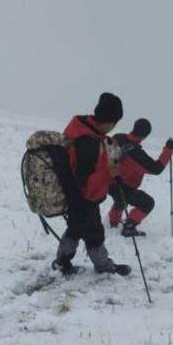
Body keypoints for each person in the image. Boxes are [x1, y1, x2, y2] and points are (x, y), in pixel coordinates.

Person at [53, 92, 131, 277]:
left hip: (74, 193)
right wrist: (110, 173)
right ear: (110, 121)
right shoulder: (86, 142)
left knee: (75, 228)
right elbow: (86, 181)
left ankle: (61, 263)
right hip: (82, 196)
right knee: (94, 233)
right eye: (115, 122)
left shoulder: (84, 129)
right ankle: (103, 266)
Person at [108, 118, 173, 236]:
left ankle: (113, 222)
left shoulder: (118, 137)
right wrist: (168, 150)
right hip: (124, 186)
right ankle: (129, 227)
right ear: (145, 135)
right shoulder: (137, 154)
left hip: (109, 181)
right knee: (147, 203)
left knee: (120, 198)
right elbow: (156, 168)